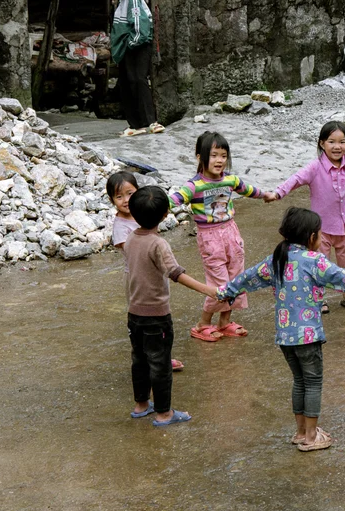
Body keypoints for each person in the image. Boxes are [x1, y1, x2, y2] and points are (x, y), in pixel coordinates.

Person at [217, 208, 345, 452]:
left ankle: (300, 432)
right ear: (311, 237)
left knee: (299, 381)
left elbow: (248, 277)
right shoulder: (314, 260)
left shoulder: (277, 258)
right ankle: (311, 436)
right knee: (313, 382)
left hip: (285, 336)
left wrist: (226, 291)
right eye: (320, 233)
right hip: (308, 336)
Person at [123, 186, 217, 427]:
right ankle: (164, 413)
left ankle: (141, 405)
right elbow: (175, 273)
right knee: (160, 363)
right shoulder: (158, 244)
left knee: (140, 361)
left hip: (134, 313)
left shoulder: (130, 238)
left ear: (133, 214)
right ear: (165, 215)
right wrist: (207, 289)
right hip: (156, 316)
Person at [170, 131, 276, 342]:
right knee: (220, 284)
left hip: (231, 233)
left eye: (223, 155)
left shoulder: (230, 180)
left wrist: (265, 195)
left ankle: (225, 322)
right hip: (210, 238)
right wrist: (155, 208)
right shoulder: (194, 186)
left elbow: (248, 189)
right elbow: (175, 199)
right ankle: (202, 324)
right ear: (200, 157)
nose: (219, 160)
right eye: (214, 155)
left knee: (236, 279)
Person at [273, 121, 345, 312]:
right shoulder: (314, 167)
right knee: (319, 262)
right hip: (321, 229)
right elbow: (295, 179)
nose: (337, 147)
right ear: (321, 144)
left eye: (342, 142)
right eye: (331, 142)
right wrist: (278, 193)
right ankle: (318, 295)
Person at [109, 171, 183, 372]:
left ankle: (159, 356)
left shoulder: (141, 215)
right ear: (111, 200)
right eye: (119, 196)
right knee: (144, 317)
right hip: (136, 276)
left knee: (157, 318)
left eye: (130, 194)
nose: (125, 200)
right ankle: (149, 358)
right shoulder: (121, 226)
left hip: (155, 272)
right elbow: (135, 251)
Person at [109, 0, 163, 136]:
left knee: (139, 80)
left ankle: (151, 122)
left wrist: (132, 43)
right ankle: (135, 124)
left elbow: (139, 21)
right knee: (126, 83)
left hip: (136, 46)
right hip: (129, 47)